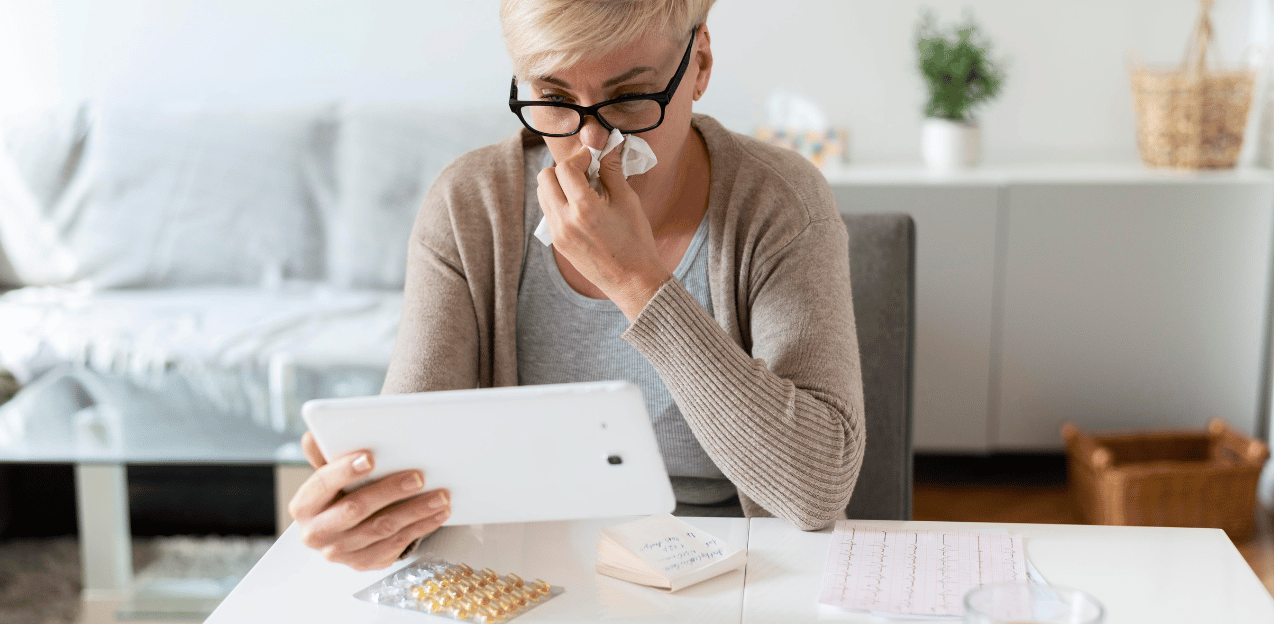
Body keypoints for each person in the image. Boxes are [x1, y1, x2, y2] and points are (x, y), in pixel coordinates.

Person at [289, 0, 865, 571]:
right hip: (525, 582)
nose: (593, 142)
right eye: (556, 100)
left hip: (736, 578)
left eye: (631, 97)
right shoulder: (470, 207)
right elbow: (416, 463)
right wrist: (375, 520)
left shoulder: (781, 204)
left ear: (700, 65)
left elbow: (814, 491)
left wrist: (637, 281)